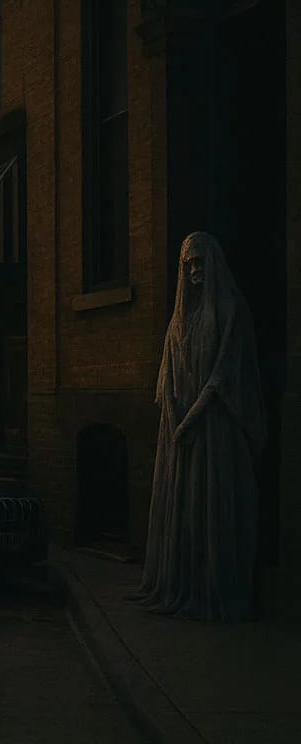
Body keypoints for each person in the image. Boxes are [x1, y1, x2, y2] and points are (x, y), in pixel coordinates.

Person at [129, 232, 267, 621]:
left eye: (200, 263)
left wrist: (189, 421)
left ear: (214, 263)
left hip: (213, 428)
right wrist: (174, 417)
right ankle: (180, 582)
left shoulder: (230, 310)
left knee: (210, 505)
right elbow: (168, 375)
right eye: (188, 264)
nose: (194, 271)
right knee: (185, 509)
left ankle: (210, 588)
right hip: (181, 432)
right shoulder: (180, 318)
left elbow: (223, 376)